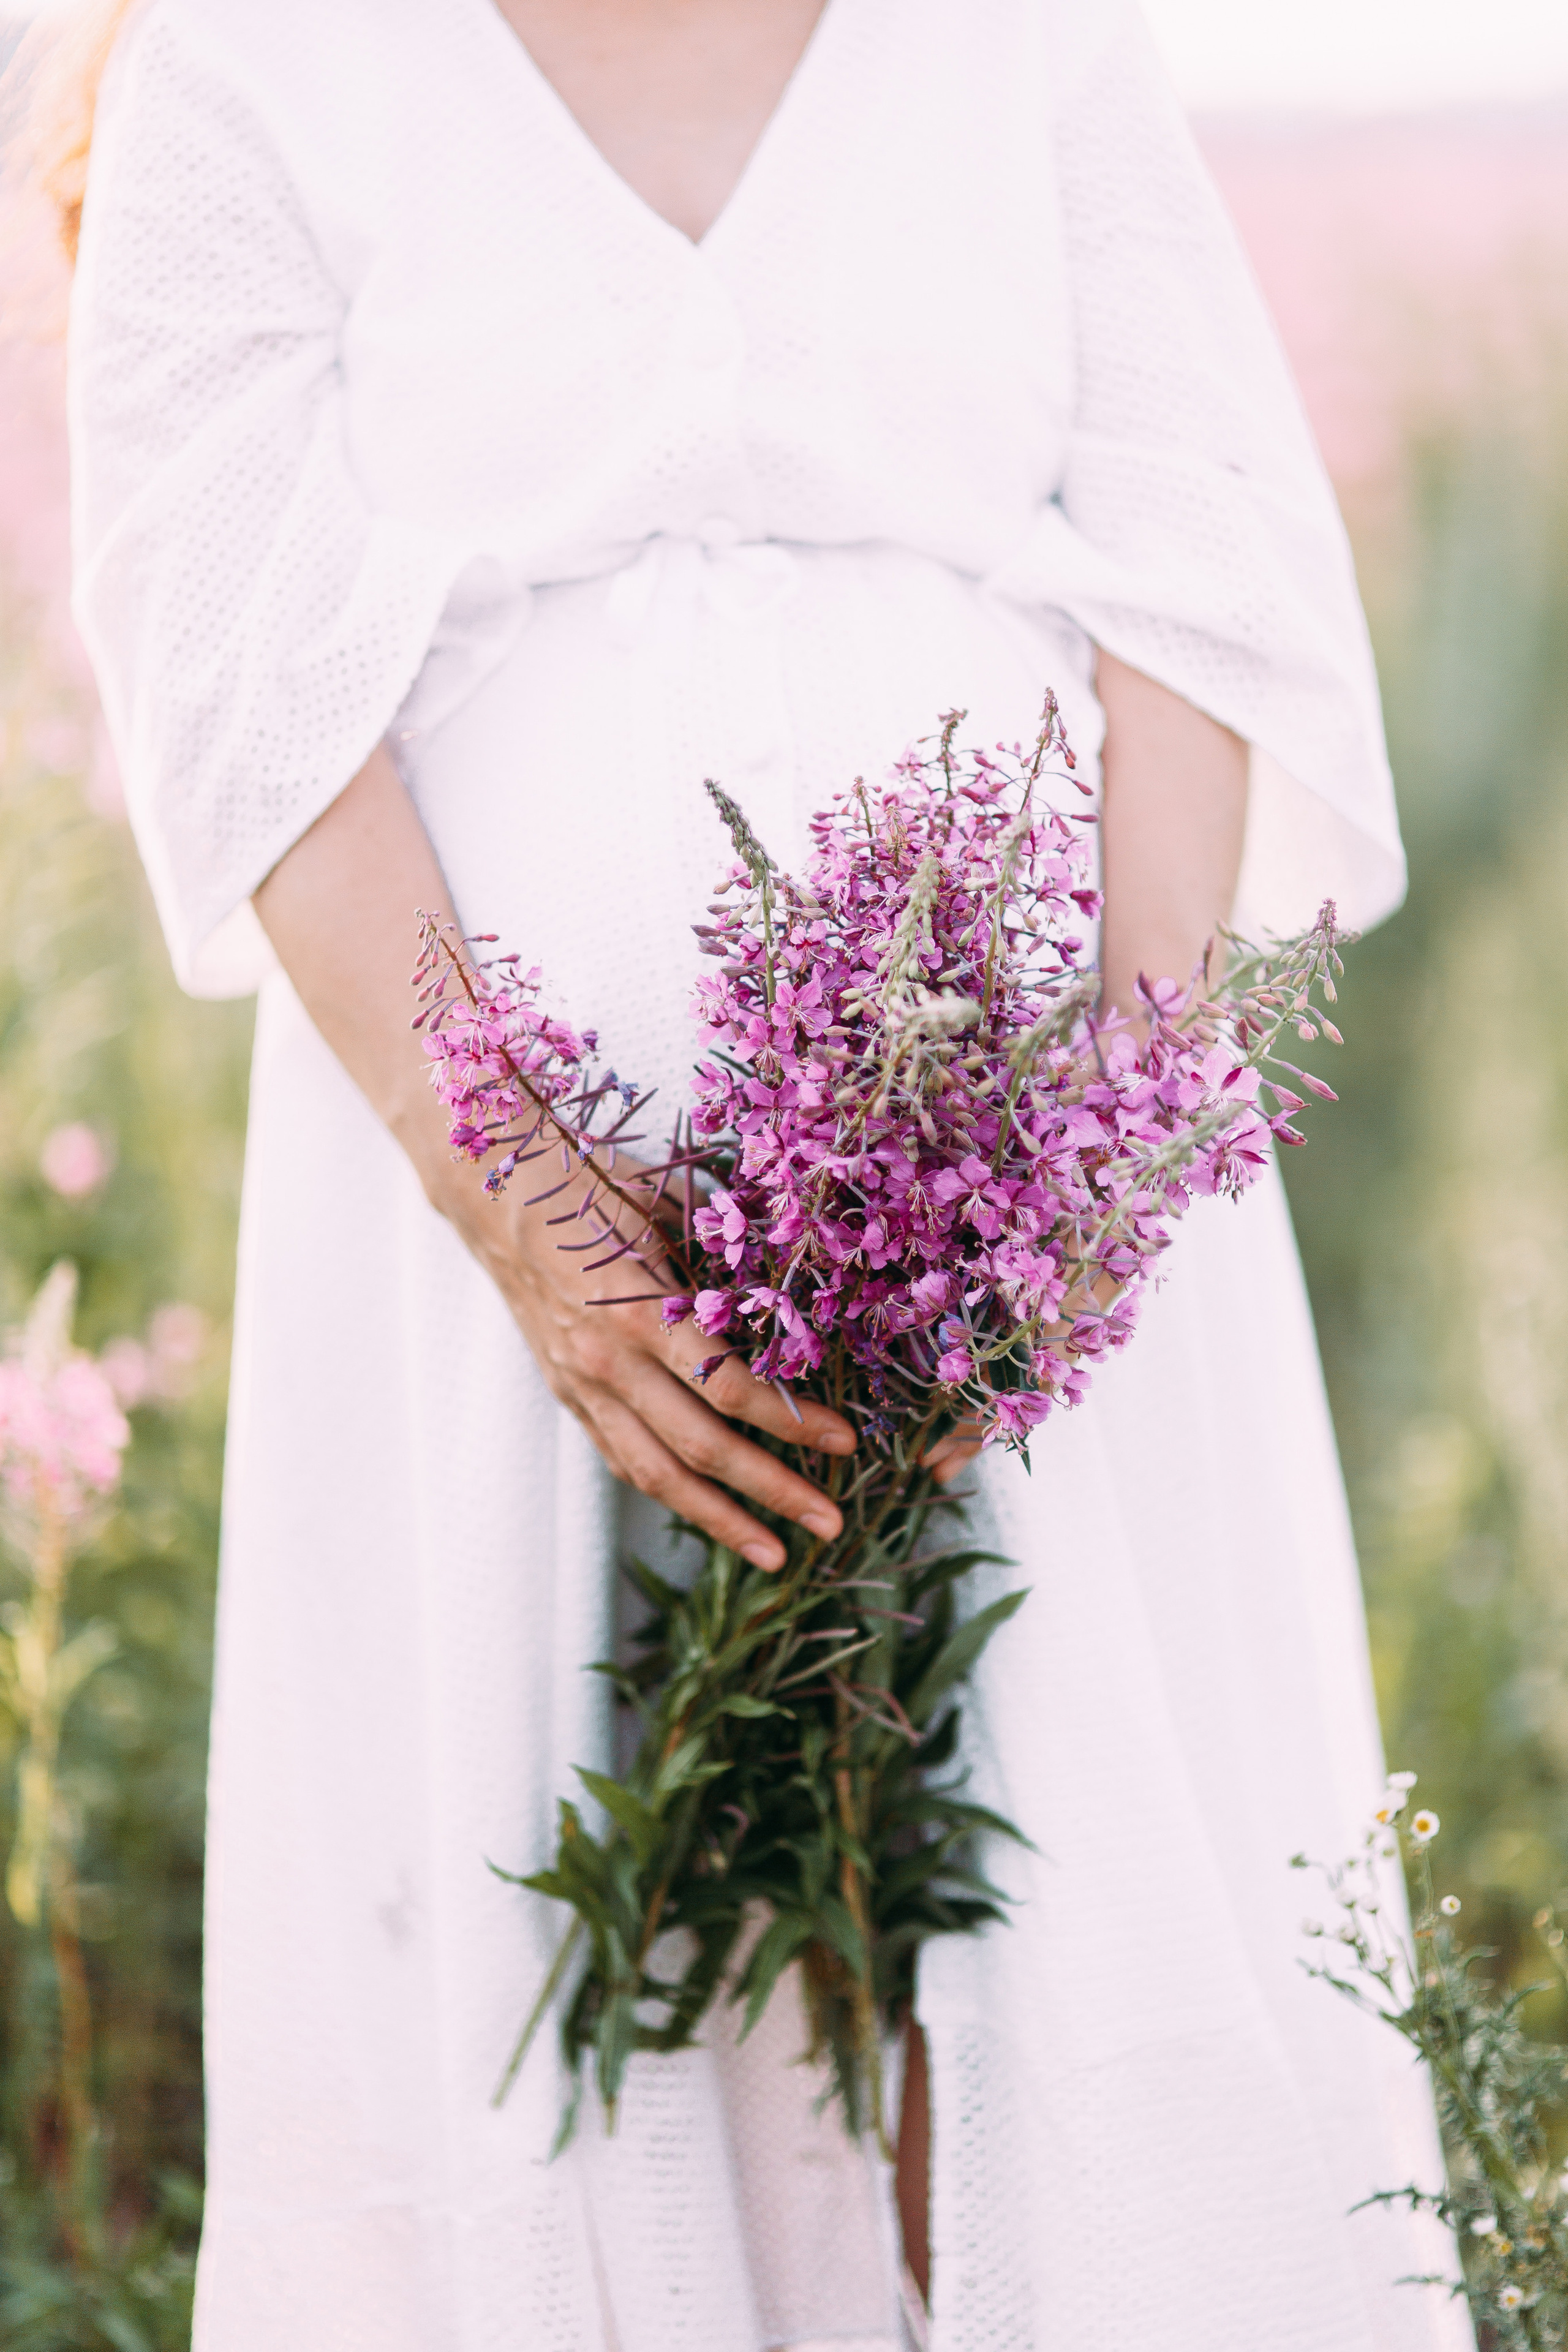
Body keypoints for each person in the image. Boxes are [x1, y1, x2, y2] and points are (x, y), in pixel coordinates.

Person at [57, 0, 1472, 2344]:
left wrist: (1089, 1156)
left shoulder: (1023, 40)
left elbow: (1202, 555)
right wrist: (521, 1194)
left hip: (1042, 1221)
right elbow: (241, 675)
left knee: (1051, 1903)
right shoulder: (247, 58)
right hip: (510, 1262)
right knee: (608, 1925)